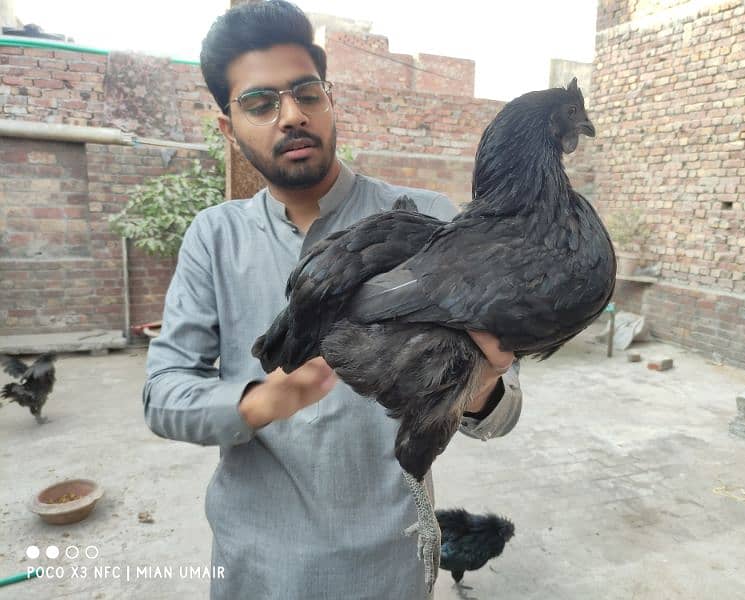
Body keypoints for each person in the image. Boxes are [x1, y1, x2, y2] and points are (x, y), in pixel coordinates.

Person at [143, 1, 523, 598]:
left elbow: (502, 415)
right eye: (260, 103)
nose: (291, 115)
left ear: (328, 98)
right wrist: (259, 402)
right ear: (227, 126)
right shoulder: (215, 238)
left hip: (389, 565)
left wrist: (475, 383)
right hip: (255, 565)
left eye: (306, 92)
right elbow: (163, 393)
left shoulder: (427, 221)